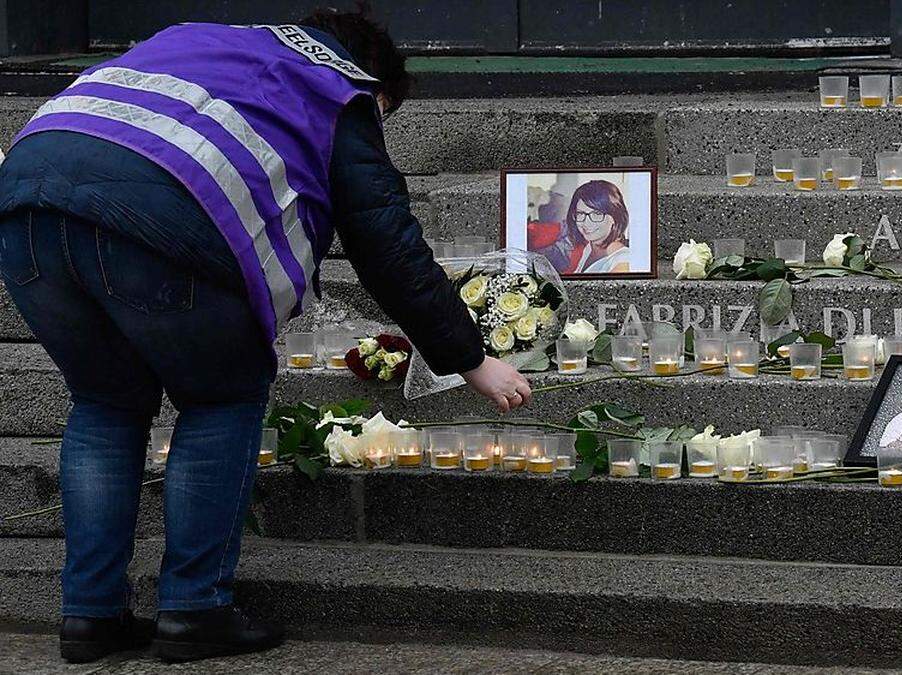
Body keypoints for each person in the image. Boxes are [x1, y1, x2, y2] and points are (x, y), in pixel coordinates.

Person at [0, 7, 531, 665]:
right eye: (383, 116)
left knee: (106, 404)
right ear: (377, 85)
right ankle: (194, 608)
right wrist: (470, 358)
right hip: (161, 216)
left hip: (26, 200)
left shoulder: (201, 39)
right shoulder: (340, 86)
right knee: (220, 396)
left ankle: (90, 615)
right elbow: (386, 242)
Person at [565, 180, 632, 274]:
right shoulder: (589, 248)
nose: (586, 222)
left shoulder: (623, 263)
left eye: (597, 214)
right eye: (580, 213)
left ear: (615, 217)